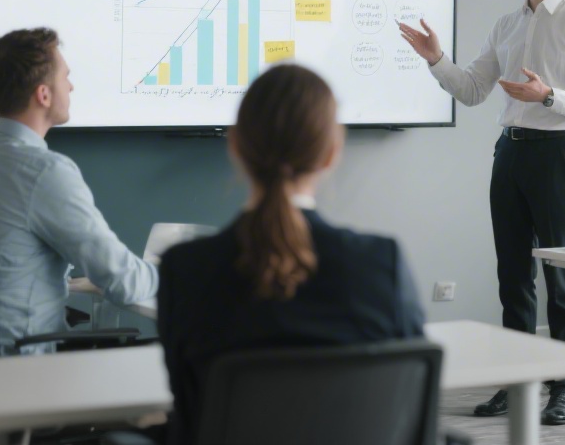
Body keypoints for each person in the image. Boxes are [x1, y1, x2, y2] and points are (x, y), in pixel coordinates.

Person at [398, 0, 565, 425]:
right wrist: (437, 60)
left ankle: (564, 388)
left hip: (559, 153)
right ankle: (518, 382)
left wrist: (550, 96)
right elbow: (474, 89)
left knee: (561, 276)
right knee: (512, 277)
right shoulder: (507, 25)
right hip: (511, 154)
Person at [157, 64, 426, 445]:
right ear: (332, 153)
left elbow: (188, 410)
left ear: (235, 146)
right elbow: (407, 402)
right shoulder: (382, 264)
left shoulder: (185, 270)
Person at [0, 28, 157, 352]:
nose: (72, 86)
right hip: (24, 364)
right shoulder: (44, 171)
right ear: (44, 95)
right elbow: (124, 283)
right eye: (66, 77)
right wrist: (176, 275)